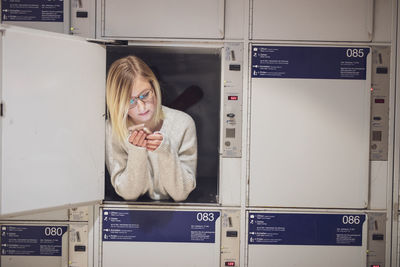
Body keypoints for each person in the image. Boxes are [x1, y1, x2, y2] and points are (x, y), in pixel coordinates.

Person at [105, 55, 197, 202]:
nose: (142, 107)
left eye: (145, 95)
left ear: (154, 86)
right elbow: (129, 194)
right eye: (130, 101)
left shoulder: (183, 123)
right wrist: (136, 151)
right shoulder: (112, 128)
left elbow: (180, 194)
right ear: (117, 102)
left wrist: (166, 150)